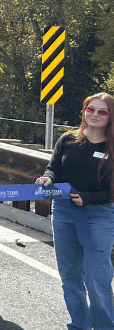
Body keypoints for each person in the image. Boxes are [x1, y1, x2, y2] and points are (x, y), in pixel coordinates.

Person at [36, 92, 114, 328]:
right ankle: (79, 324)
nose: (95, 115)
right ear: (84, 111)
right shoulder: (68, 139)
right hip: (64, 212)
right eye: (90, 109)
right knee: (70, 276)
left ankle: (104, 326)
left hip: (98, 214)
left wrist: (88, 198)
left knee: (96, 278)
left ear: (111, 116)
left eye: (102, 111)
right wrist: (47, 178)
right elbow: (53, 168)